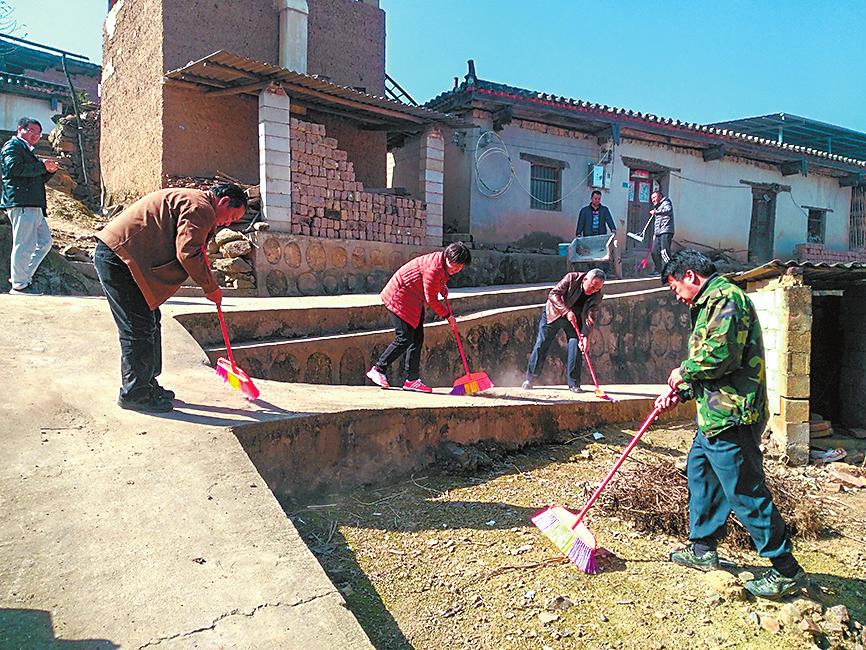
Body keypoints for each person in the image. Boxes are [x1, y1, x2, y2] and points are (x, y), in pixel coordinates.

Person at [655, 249, 804, 600]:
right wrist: (683, 391)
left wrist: (683, 371)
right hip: (715, 412)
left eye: (675, 287)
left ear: (690, 275)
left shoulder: (725, 297)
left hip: (733, 414)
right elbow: (714, 365)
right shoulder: (706, 304)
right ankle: (703, 548)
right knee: (701, 473)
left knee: (744, 490)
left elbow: (722, 355)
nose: (676, 295)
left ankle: (786, 569)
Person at [94, 184, 248, 413]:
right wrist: (210, 287)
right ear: (224, 201)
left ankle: (146, 383)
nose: (228, 223)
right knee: (137, 328)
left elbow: (192, 245)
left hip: (125, 259)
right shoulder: (201, 208)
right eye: (232, 217)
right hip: (120, 259)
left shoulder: (196, 203)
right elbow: (187, 252)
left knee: (150, 322)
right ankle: (134, 393)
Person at [366, 242, 472, 393]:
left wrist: (441, 286)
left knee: (417, 339)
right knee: (404, 338)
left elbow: (430, 282)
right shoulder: (434, 268)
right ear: (447, 257)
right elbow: (432, 299)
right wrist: (448, 316)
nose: (456, 270)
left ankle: (412, 380)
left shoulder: (441, 264)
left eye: (460, 267)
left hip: (413, 299)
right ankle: (378, 369)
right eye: (454, 265)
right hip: (399, 297)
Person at [1, 117, 60, 295]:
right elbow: (14, 169)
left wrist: (48, 171)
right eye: (32, 131)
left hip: (33, 204)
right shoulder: (13, 147)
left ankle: (22, 278)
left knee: (44, 242)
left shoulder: (27, 150)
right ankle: (19, 285)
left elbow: (35, 177)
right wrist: (42, 166)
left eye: (38, 133)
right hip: (22, 202)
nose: (35, 136)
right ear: (20, 129)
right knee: (24, 245)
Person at [522, 268, 605, 393]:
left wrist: (585, 335)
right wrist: (566, 311)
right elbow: (553, 294)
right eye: (592, 287)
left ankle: (574, 383)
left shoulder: (597, 295)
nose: (593, 291)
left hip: (575, 319)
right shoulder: (571, 278)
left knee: (576, 347)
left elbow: (591, 316)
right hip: (554, 313)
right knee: (542, 343)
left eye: (597, 289)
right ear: (585, 279)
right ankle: (530, 379)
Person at [649, 190, 674, 276]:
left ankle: (670, 271)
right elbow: (657, 222)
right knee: (654, 252)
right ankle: (658, 270)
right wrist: (655, 234)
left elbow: (668, 210)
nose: (653, 200)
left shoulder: (666, 202)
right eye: (652, 198)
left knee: (664, 252)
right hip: (658, 233)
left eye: (654, 197)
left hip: (666, 231)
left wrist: (657, 212)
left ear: (660, 196)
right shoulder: (657, 206)